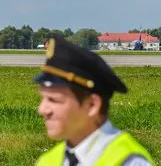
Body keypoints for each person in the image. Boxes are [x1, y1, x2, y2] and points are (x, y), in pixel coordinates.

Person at [34, 34, 154, 166]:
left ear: (92, 105)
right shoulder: (48, 161)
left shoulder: (128, 162)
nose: (42, 110)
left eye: (54, 100)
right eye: (43, 98)